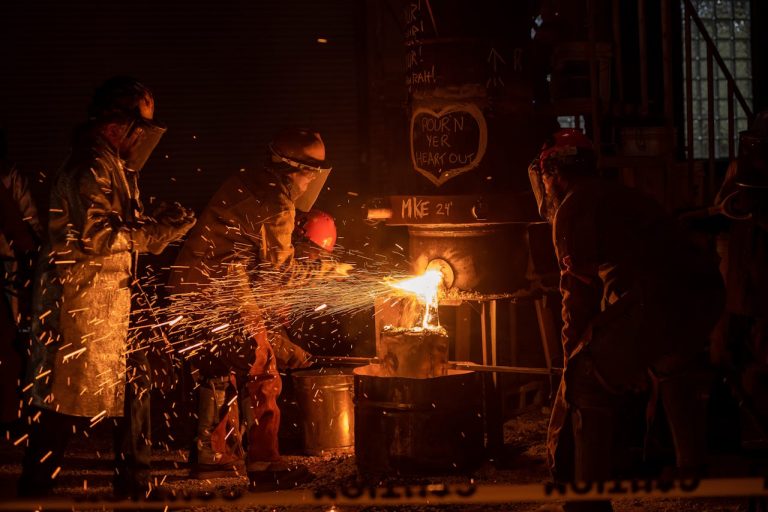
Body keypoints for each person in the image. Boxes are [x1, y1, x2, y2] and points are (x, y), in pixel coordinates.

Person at [527, 129, 724, 511]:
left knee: (586, 379)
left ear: (553, 171)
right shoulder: (617, 195)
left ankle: (587, 503)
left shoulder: (572, 208)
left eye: (546, 175)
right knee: (670, 365)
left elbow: (577, 300)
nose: (546, 185)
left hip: (663, 300)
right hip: (705, 293)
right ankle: (691, 469)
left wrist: (573, 361)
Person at [18, 77, 196, 498]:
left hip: (108, 305)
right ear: (120, 125)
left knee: (136, 383)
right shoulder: (91, 165)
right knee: (60, 401)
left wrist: (156, 216)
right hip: (77, 308)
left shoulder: (113, 165)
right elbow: (99, 235)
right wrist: (157, 234)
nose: (144, 138)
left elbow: (121, 220)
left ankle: (136, 482)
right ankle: (35, 489)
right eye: (142, 127)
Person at [166, 128, 351, 490]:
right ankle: (265, 464)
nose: (311, 180)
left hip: (196, 286)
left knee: (222, 369)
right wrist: (328, 269)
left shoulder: (248, 180)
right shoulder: (276, 201)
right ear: (299, 170)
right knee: (262, 371)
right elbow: (279, 276)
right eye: (311, 172)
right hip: (219, 290)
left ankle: (214, 456)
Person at [0, 129, 42, 430]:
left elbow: (26, 222)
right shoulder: (6, 177)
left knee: (8, 341)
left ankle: (9, 413)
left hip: (6, 267)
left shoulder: (7, 175)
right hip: (7, 265)